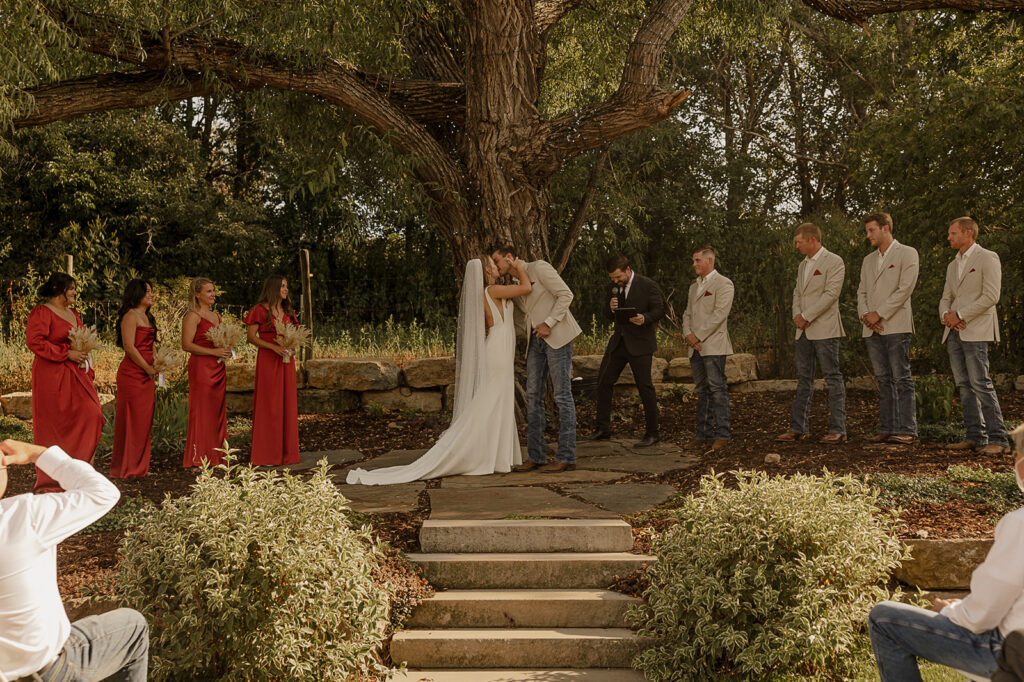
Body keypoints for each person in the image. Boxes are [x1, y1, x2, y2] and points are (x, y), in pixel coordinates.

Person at [346, 258, 531, 484]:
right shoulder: (493, 289)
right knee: (490, 401)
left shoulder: (492, 292)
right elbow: (526, 287)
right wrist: (520, 268)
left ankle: (497, 455)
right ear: (487, 272)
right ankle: (478, 451)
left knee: (496, 401)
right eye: (493, 264)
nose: (496, 266)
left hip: (499, 349)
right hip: (498, 352)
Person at [868, 424, 1024, 681]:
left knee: (883, 619)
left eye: (1016, 454)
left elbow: (981, 615)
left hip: (1010, 656)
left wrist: (950, 610)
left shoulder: (1019, 523)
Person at [1, 437, 149, 681]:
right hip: (45, 671)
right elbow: (102, 493)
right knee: (133, 628)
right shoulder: (22, 518)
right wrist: (39, 454)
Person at [490, 244, 583, 474]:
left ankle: (566, 457)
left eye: (496, 260)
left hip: (557, 336)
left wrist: (549, 323)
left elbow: (566, 294)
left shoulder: (539, 267)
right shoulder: (516, 283)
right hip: (536, 342)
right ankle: (537, 456)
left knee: (562, 395)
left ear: (509, 258)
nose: (495, 265)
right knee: (533, 396)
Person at [26, 272, 104, 493]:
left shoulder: (74, 313)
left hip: (75, 373)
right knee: (54, 424)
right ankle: (54, 477)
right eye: (71, 289)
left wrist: (83, 356)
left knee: (93, 414)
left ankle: (81, 467)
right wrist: (65, 353)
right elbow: (34, 342)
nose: (74, 293)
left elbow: (79, 340)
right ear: (58, 290)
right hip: (50, 374)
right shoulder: (41, 312)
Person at [939, 216, 1009, 455]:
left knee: (981, 383)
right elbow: (945, 297)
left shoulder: (987, 257)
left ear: (968, 233)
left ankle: (999, 440)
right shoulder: (952, 265)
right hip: (953, 331)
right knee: (963, 385)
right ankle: (975, 436)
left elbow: (991, 296)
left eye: (953, 233)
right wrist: (946, 316)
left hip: (976, 330)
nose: (949, 237)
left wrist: (960, 314)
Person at [776, 222, 847, 444]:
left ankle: (838, 429)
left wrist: (807, 316)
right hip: (803, 331)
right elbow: (797, 292)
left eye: (799, 242)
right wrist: (798, 316)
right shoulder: (802, 265)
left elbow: (831, 294)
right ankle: (798, 428)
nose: (796, 246)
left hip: (825, 328)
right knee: (803, 379)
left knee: (832, 378)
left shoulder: (834, 261)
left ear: (812, 240)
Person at [589, 254, 665, 447]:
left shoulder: (647, 285)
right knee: (604, 381)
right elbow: (607, 315)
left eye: (618, 277)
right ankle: (603, 428)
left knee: (644, 387)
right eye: (612, 278)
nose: (615, 281)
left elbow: (659, 310)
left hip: (640, 343)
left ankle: (652, 433)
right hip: (618, 342)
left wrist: (644, 318)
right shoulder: (612, 288)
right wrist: (611, 308)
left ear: (628, 270)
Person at [857, 212, 920, 445]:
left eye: (871, 230)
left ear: (885, 228)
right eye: (867, 231)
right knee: (883, 379)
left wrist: (879, 313)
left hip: (895, 325)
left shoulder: (907, 253)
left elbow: (905, 290)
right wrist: (866, 315)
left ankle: (908, 430)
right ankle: (888, 427)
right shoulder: (867, 260)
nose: (868, 235)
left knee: (902, 378)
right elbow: (861, 292)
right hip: (871, 328)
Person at [681, 246, 734, 453]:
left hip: (712, 345)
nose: (694, 264)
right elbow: (687, 313)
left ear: (709, 260)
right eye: (693, 261)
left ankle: (722, 434)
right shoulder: (694, 287)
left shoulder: (724, 284)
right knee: (702, 391)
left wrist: (698, 335)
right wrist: (688, 335)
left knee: (717, 389)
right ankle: (702, 434)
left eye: (697, 261)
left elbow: (720, 314)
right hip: (695, 347)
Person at [244, 275, 300, 467]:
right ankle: (267, 455)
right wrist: (272, 347)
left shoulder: (288, 312)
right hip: (268, 361)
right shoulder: (259, 310)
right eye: (283, 286)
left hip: (286, 362)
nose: (286, 290)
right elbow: (251, 337)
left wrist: (292, 347)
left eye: (287, 286)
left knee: (287, 404)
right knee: (270, 405)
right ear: (273, 288)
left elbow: (296, 335)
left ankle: (287, 454)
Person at [110, 279, 158, 479]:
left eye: (151, 291)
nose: (151, 294)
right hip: (132, 374)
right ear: (137, 294)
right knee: (131, 419)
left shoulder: (148, 317)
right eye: (147, 291)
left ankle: (140, 465)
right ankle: (127, 467)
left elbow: (151, 344)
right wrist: (146, 367)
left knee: (143, 420)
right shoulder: (130, 316)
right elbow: (129, 347)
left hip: (148, 373)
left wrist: (158, 365)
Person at [181, 277, 231, 468]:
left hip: (218, 367)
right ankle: (200, 456)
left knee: (217, 410)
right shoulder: (193, 316)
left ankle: (217, 455)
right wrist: (214, 352)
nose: (213, 294)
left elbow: (220, 339)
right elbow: (186, 345)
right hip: (201, 368)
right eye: (208, 291)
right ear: (197, 294)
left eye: (213, 290)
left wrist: (225, 349)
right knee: (202, 411)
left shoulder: (216, 316)